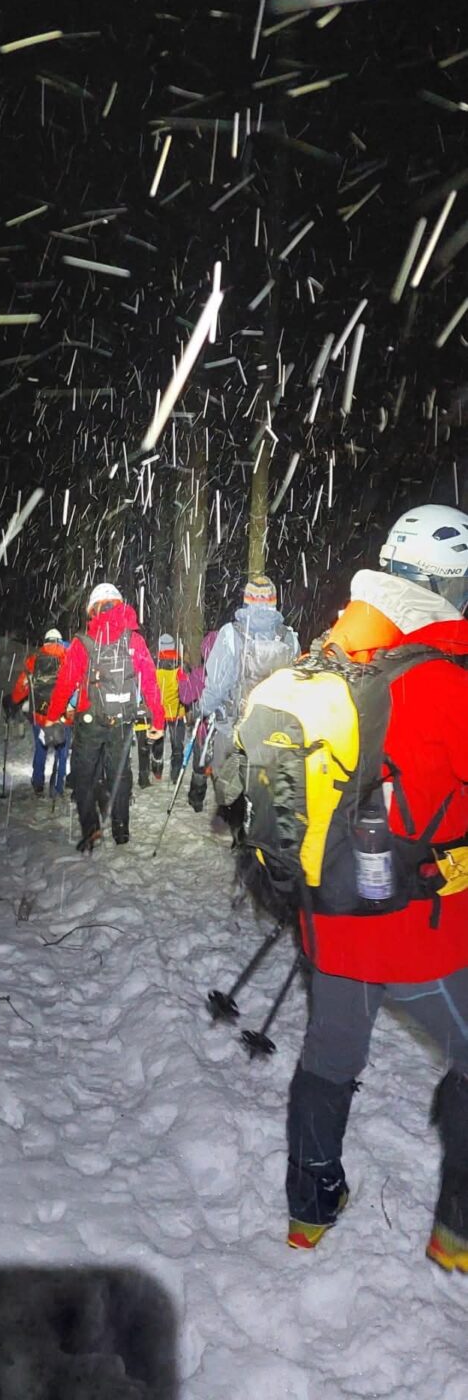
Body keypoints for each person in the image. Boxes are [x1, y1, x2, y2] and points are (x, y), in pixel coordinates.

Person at [280, 504, 468, 1268]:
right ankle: (457, 1229)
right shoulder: (448, 683)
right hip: (420, 932)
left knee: (329, 1060)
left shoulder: (331, 652)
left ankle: (309, 1209)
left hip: (332, 918)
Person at [43, 583, 165, 850]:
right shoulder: (134, 640)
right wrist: (158, 719)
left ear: (93, 609)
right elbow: (150, 683)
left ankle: (92, 828)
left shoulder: (82, 642)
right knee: (120, 775)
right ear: (119, 604)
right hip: (122, 719)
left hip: (89, 718)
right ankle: (121, 829)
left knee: (84, 775)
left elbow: (65, 683)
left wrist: (52, 717)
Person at [200, 575, 299, 773]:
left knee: (229, 792)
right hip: (275, 733)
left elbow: (217, 685)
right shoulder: (289, 637)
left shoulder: (230, 633)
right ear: (274, 601)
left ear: (246, 600)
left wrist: (203, 707)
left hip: (234, 729)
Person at [5, 629, 73, 797]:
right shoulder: (68, 658)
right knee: (62, 751)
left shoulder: (33, 660)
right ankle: (57, 786)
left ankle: (37, 783)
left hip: (39, 715)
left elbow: (22, 686)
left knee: (41, 747)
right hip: (62, 715)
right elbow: (74, 684)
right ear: (59, 641)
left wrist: (13, 700)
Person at [138, 633, 186, 787]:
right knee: (177, 745)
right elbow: (186, 690)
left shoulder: (153, 664)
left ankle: (157, 768)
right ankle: (175, 774)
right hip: (176, 712)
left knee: (157, 743)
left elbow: (148, 686)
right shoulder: (180, 666)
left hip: (158, 711)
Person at [178, 630, 218, 812]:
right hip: (225, 730)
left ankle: (197, 799)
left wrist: (183, 680)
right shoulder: (233, 675)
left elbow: (185, 697)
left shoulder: (200, 674)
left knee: (200, 766)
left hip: (204, 730)